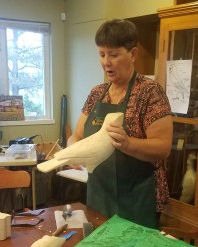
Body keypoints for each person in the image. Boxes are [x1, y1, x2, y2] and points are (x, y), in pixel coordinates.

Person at [67, 19, 173, 228]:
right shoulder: (97, 93)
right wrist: (73, 152)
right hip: (99, 195)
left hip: (136, 199)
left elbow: (163, 147)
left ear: (132, 54)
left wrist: (127, 144)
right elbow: (76, 136)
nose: (106, 61)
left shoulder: (150, 93)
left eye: (114, 55)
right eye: (102, 54)